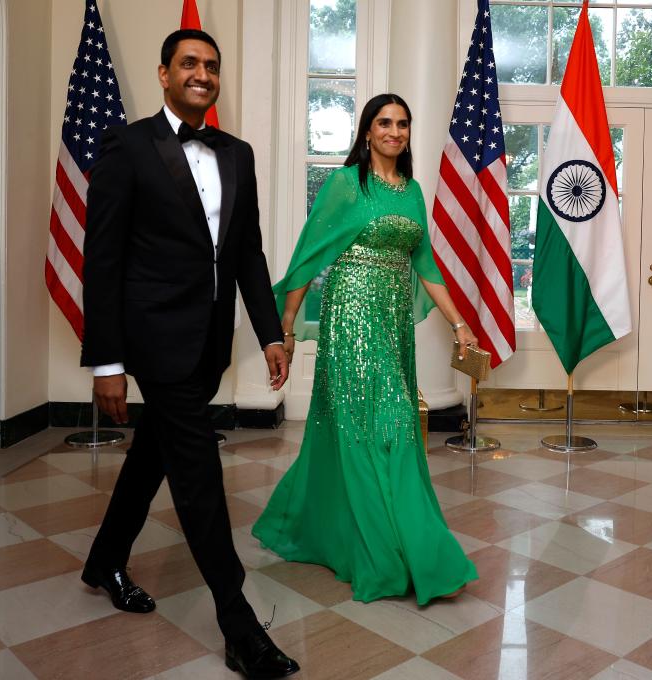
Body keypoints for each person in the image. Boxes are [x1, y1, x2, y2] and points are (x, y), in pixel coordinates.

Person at [80, 29, 299, 679]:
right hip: (151, 337)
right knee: (199, 475)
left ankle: (104, 561)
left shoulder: (237, 154)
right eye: (189, 64)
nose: (201, 73)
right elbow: (102, 260)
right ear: (165, 74)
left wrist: (269, 333)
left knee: (156, 451)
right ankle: (238, 627)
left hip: (209, 341)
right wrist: (107, 362)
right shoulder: (127, 147)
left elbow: (246, 256)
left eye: (210, 65)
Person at [252, 94, 479, 604]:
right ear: (367, 131)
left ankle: (404, 543)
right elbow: (308, 255)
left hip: (393, 322)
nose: (394, 132)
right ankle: (381, 555)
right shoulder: (345, 184)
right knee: (366, 425)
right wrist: (285, 328)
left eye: (402, 123)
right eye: (384, 123)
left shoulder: (414, 191)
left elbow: (426, 267)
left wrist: (459, 323)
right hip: (351, 317)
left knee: (394, 422)